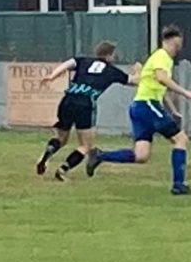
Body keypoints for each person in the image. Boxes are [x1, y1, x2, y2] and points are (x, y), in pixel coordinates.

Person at [85, 24, 191, 194]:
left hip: (139, 106)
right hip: (147, 105)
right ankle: (178, 184)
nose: (179, 48)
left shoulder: (158, 57)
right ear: (172, 42)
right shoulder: (162, 56)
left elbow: (159, 87)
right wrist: (185, 92)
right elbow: (162, 78)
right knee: (180, 140)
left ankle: (99, 155)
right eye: (178, 44)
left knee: (141, 156)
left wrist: (173, 110)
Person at [40, 40, 134, 178]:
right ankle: (63, 169)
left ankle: (47, 154)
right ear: (110, 55)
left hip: (68, 100)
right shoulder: (112, 70)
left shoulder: (83, 60)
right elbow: (132, 81)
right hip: (85, 103)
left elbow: (67, 64)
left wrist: (52, 76)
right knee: (85, 145)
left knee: (61, 138)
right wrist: (142, 74)